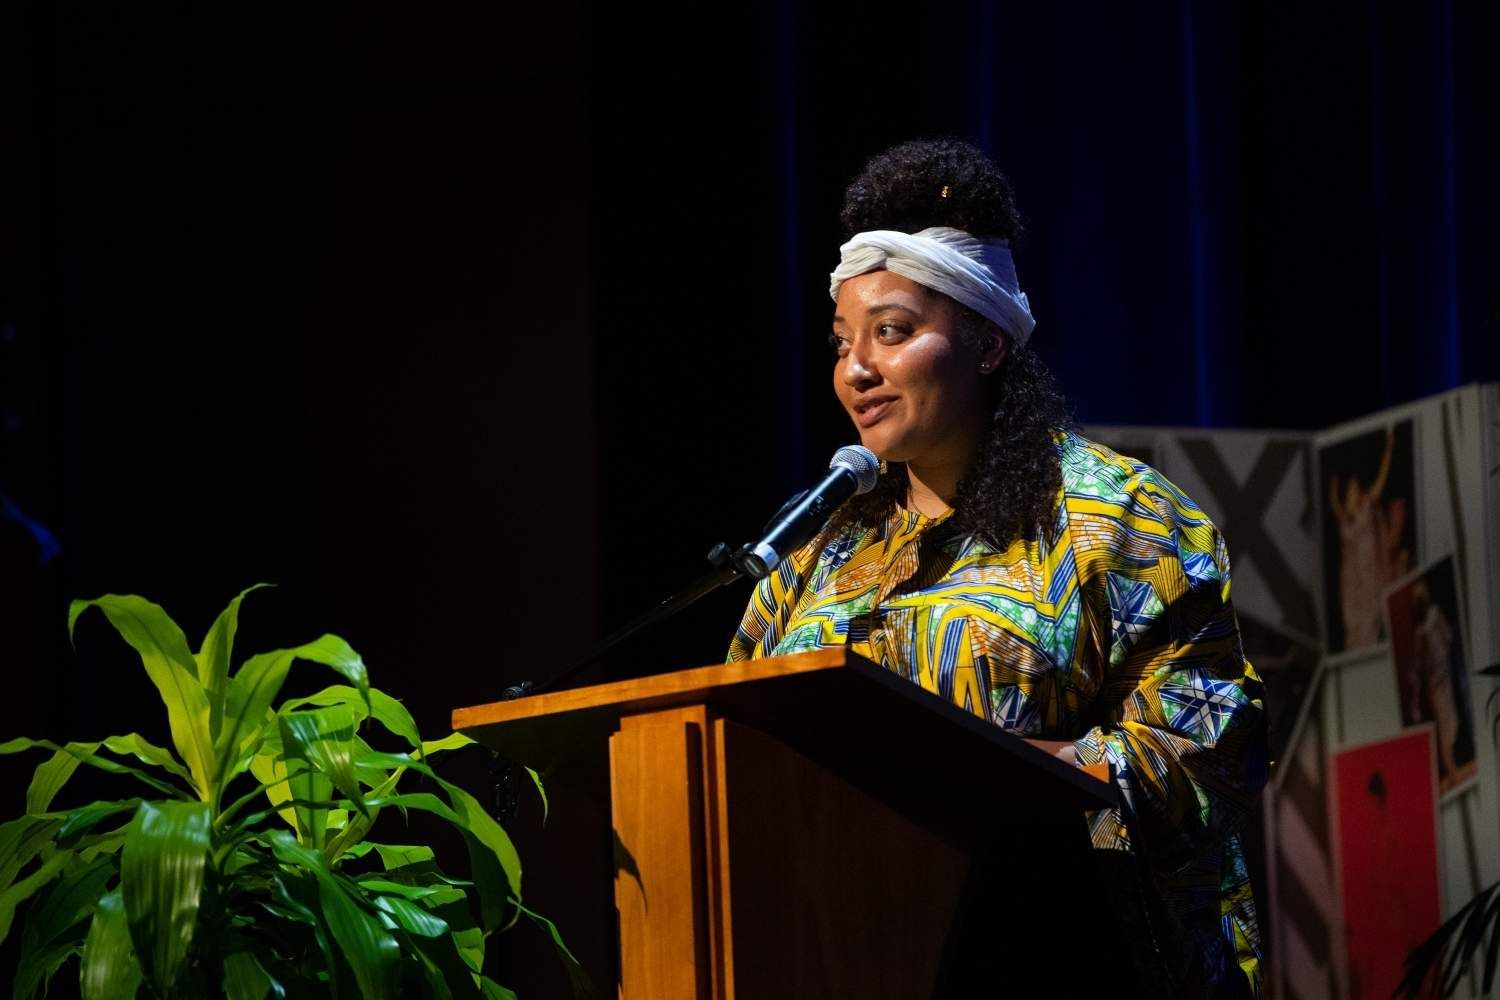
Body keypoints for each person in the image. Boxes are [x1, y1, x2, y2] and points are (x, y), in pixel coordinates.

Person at [728, 139, 1268, 997]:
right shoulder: (819, 553)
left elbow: (1203, 753)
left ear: (985, 343)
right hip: (840, 949)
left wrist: (978, 784)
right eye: (842, 342)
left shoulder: (1113, 517)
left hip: (1072, 958)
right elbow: (737, 743)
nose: (856, 369)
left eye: (893, 333)